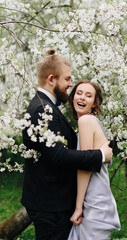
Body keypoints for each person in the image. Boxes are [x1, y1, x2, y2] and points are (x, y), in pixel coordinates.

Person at [20, 49, 113, 240]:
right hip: (50, 206)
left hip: (54, 203)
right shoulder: (42, 109)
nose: (70, 85)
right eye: (68, 79)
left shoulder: (47, 107)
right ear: (52, 79)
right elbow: (59, 155)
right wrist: (101, 156)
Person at [67, 79, 121, 240]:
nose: (82, 98)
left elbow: (85, 167)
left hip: (94, 201)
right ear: (73, 98)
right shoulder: (90, 122)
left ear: (95, 104)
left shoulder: (86, 121)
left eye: (88, 95)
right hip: (100, 197)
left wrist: (78, 207)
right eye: (79, 93)